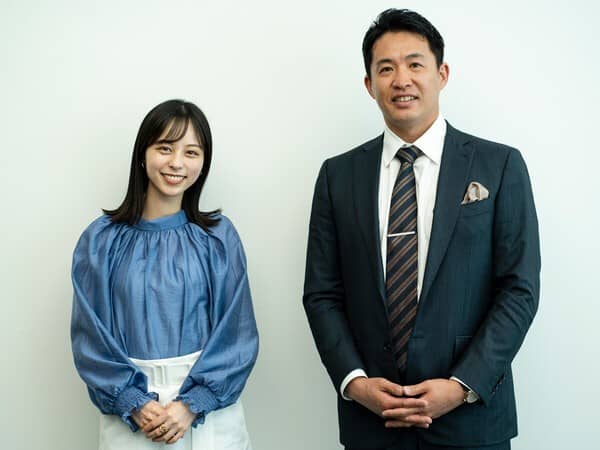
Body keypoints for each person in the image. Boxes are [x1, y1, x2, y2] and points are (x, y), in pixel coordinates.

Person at [303, 9, 540, 450]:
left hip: (471, 421)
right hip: (373, 423)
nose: (401, 80)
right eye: (385, 69)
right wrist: (355, 382)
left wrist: (463, 384)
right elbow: (322, 293)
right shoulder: (338, 176)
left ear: (441, 74)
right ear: (369, 84)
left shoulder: (500, 165)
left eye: (415, 64)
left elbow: (519, 288)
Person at [71, 99, 258, 449]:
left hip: (209, 418)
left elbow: (238, 333)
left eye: (191, 152)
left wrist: (192, 404)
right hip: (131, 420)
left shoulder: (218, 238)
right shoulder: (100, 241)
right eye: (165, 148)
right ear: (143, 155)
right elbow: (90, 338)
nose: (177, 162)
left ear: (203, 164)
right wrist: (134, 402)